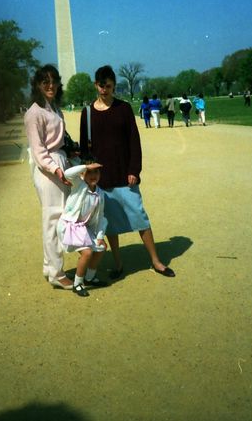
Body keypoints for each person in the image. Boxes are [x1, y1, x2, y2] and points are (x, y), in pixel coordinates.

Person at [79, 65, 175, 279]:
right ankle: (118, 263)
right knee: (109, 225)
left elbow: (134, 141)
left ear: (114, 86)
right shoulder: (86, 113)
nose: (105, 90)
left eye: (109, 86)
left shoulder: (123, 109)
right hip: (102, 179)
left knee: (140, 217)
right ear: (96, 85)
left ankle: (156, 261)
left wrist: (134, 169)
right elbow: (85, 150)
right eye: (101, 86)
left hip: (124, 174)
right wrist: (89, 177)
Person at [24, 64, 73, 290]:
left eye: (53, 81)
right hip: (48, 168)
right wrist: (56, 169)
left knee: (56, 217)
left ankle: (48, 266)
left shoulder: (53, 108)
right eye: (45, 81)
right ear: (37, 85)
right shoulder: (34, 113)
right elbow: (39, 150)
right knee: (53, 219)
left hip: (59, 162)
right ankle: (56, 273)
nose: (50, 85)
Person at [57, 160, 108, 297]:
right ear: (82, 174)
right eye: (89, 172)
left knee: (101, 248)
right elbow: (68, 173)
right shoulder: (79, 185)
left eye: (96, 171)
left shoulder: (100, 193)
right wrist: (85, 166)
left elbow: (101, 217)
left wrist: (100, 237)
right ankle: (77, 283)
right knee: (87, 253)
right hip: (69, 226)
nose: (93, 175)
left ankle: (89, 278)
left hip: (83, 228)